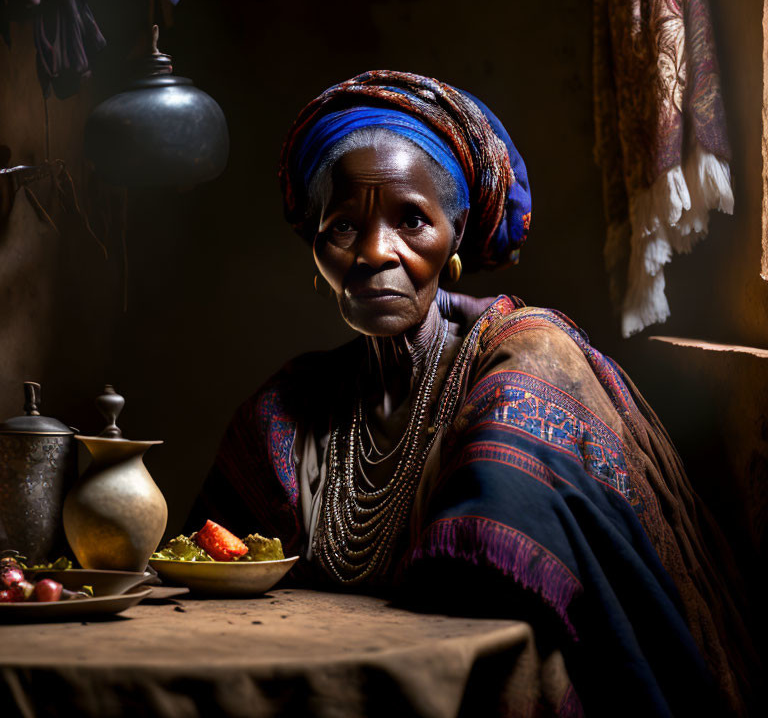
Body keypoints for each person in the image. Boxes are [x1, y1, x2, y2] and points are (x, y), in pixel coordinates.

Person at [189, 71, 748, 716]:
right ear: (315, 247)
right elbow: (198, 561)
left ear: (454, 240)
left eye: (412, 221)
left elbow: (483, 581)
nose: (376, 252)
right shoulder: (291, 405)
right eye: (344, 225)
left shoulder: (528, 360)